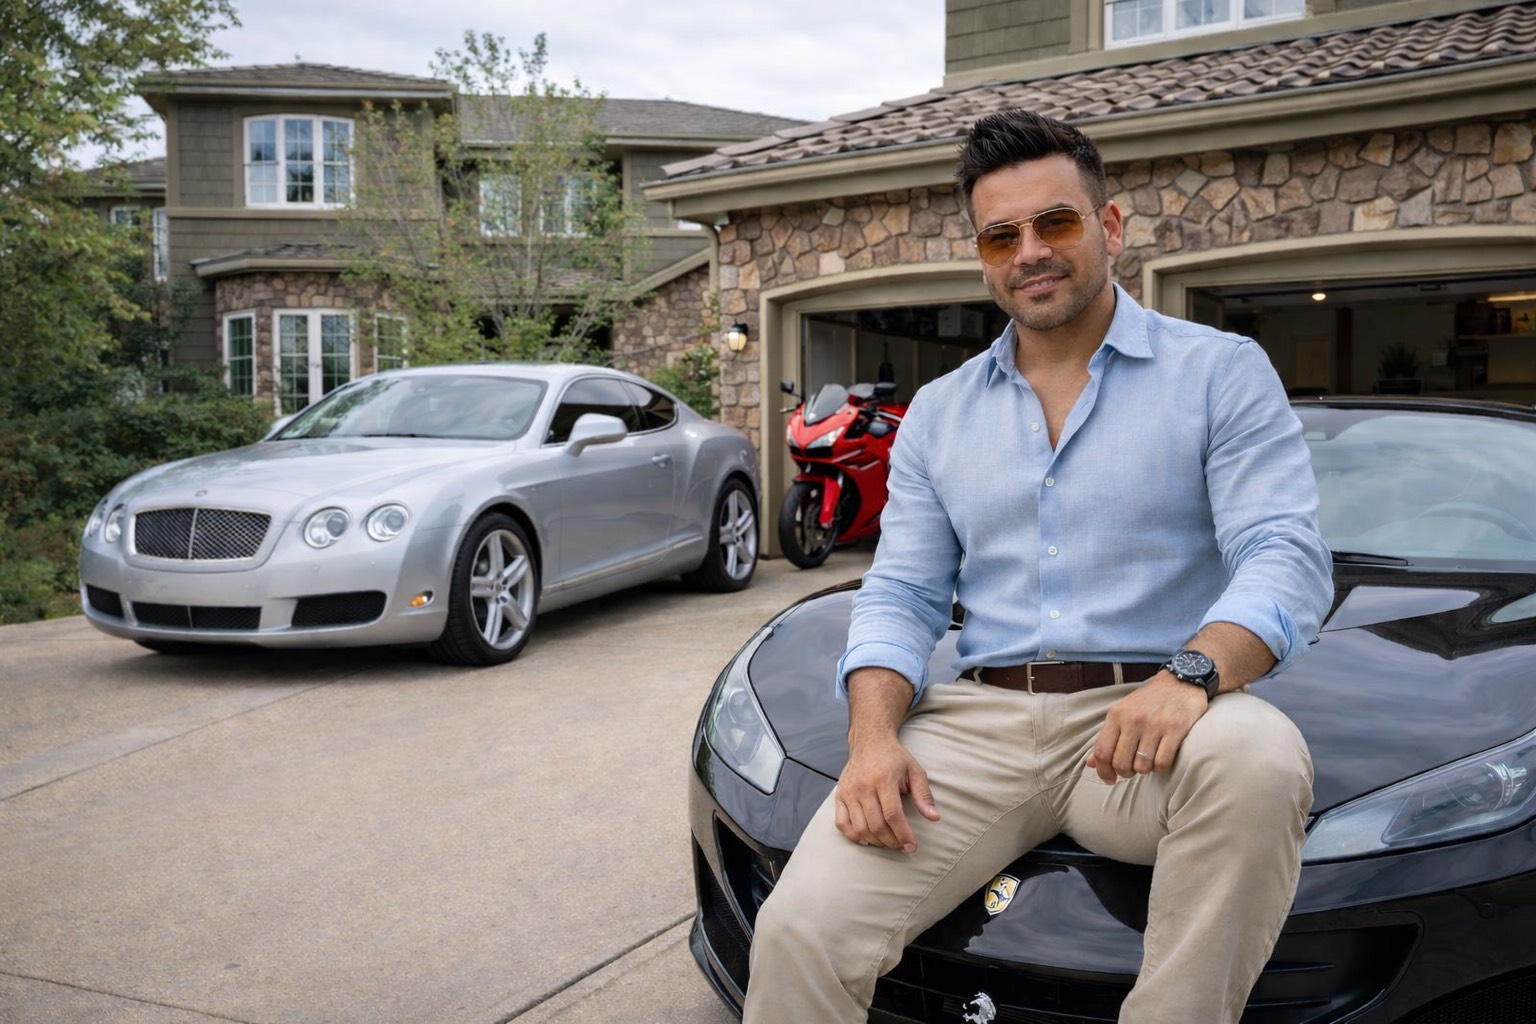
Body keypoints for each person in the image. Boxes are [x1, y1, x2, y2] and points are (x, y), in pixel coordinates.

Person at [742, 109, 1334, 1024]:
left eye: (1055, 223)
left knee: (1257, 753)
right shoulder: (939, 415)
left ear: (1109, 227)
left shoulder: (1219, 372)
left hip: (1148, 726)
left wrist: (1192, 675)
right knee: (798, 933)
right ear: (982, 253)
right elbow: (900, 591)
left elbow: (1284, 552)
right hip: (978, 723)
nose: (1031, 251)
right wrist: (871, 742)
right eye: (1001, 234)